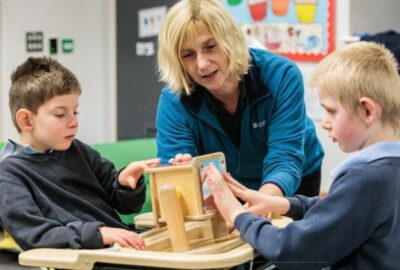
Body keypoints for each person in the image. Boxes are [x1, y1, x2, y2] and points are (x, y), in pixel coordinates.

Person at [205, 41, 400, 269]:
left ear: (367, 110)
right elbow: (341, 209)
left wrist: (238, 214)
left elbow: (291, 250)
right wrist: (284, 204)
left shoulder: (366, 180)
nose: (325, 123)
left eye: (331, 111)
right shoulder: (387, 172)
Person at [155, 0, 324, 198]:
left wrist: (260, 206)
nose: (201, 64)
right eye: (188, 55)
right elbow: (176, 172)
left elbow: (284, 159)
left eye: (210, 47)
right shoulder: (174, 101)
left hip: (292, 179)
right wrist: (183, 173)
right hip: (228, 185)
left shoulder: (281, 76)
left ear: (231, 40)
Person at [0, 57, 160, 251]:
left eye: (75, 112)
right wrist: (98, 234)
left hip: (123, 247)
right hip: (89, 259)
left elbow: (126, 206)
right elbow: (35, 235)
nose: (73, 122)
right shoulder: (9, 174)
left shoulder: (79, 150)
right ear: (26, 120)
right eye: (60, 114)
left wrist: (125, 183)